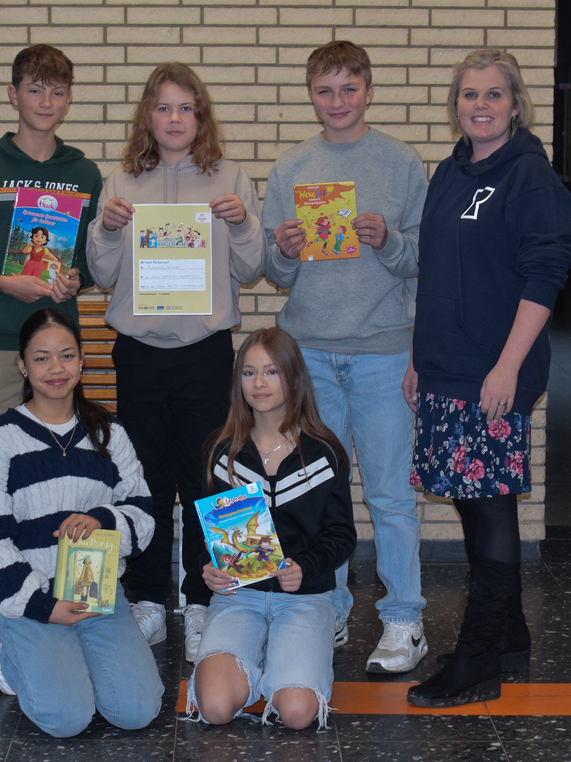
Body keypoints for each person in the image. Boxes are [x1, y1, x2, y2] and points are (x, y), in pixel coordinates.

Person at [404, 49, 571, 708]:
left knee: (490, 501)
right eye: (469, 94)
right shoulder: (450, 169)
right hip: (447, 366)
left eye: (493, 94)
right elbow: (437, 271)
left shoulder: (529, 175)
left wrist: (507, 365)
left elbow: (546, 275)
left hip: (492, 371)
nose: (480, 104)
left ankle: (477, 661)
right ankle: (509, 636)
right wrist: (421, 354)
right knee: (471, 499)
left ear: (514, 103)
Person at [87, 62, 267, 662]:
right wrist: (108, 231)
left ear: (200, 116)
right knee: (146, 479)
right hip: (139, 354)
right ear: (148, 116)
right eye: (163, 108)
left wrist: (241, 223)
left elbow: (250, 267)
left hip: (205, 354)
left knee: (207, 482)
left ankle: (201, 602)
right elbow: (102, 273)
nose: (174, 119)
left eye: (185, 108)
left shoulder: (230, 176)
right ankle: (146, 600)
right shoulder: (122, 179)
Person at [263, 40, 429, 674]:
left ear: (368, 89)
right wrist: (282, 248)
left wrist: (388, 241)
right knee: (317, 493)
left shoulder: (401, 162)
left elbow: (422, 259)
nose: (337, 101)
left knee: (388, 493)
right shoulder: (291, 166)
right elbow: (278, 274)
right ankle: (323, 606)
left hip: (384, 352)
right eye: (325, 90)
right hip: (309, 354)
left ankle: (404, 618)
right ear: (311, 94)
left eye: (348, 88)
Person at [0, 44, 102, 667]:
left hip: (58, 351)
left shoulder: (85, 174)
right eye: (36, 90)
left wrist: (78, 281)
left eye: (59, 91)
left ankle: (64, 597)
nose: (47, 102)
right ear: (12, 94)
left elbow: (97, 260)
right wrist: (0, 282)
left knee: (61, 481)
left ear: (69, 98)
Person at [0, 308, 163, 737]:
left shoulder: (110, 433)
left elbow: (143, 515)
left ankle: (72, 659)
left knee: (137, 711)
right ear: (22, 365)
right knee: (67, 719)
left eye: (66, 356)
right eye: (41, 358)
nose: (56, 369)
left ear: (81, 360)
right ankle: (11, 657)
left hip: (96, 595)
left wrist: (101, 519)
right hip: (31, 601)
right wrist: (43, 607)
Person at [186, 327, 356, 730]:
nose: (259, 383)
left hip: (305, 598)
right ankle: (260, 660)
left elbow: (342, 535)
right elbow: (202, 535)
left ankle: (288, 659)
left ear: (293, 378)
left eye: (271, 372)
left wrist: (307, 566)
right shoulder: (220, 451)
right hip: (238, 598)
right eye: (248, 373)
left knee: (297, 714)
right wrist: (207, 566)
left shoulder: (325, 452)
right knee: (214, 707)